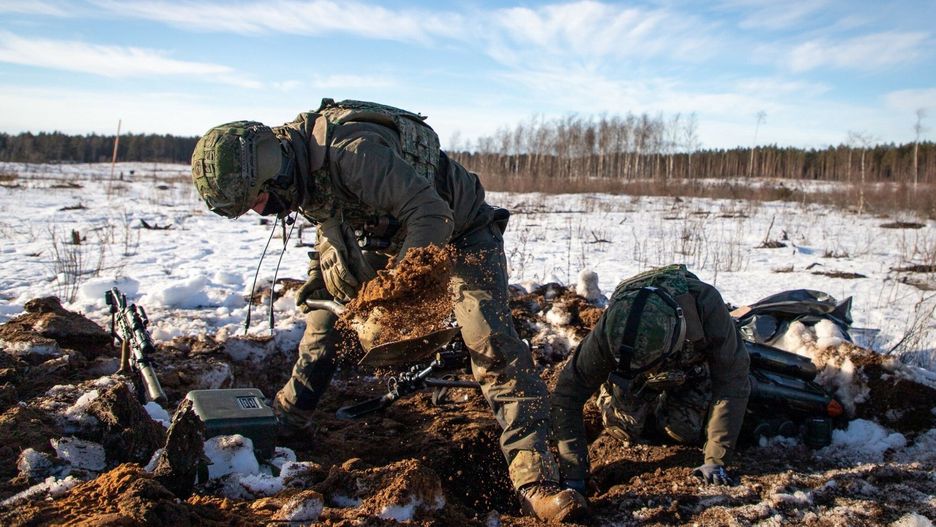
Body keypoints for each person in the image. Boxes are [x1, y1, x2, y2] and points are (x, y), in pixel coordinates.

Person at [191, 98, 587, 522]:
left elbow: (431, 213)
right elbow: (331, 219)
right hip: (386, 232)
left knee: (490, 344)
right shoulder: (298, 163)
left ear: (274, 173)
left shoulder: (353, 154)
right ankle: (288, 419)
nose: (262, 210)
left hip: (460, 231)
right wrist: (326, 284)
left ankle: (535, 481)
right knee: (323, 324)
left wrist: (395, 297)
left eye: (260, 201)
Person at [550, 264, 751, 495]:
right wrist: (574, 475)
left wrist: (716, 459)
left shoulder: (706, 306)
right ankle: (619, 395)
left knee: (685, 430)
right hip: (635, 373)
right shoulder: (611, 330)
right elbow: (567, 393)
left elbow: (732, 381)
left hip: (689, 368)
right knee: (621, 426)